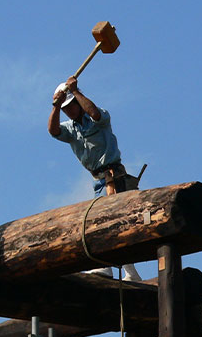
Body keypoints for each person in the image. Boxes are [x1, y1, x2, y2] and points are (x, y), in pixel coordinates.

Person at [48, 76, 141, 281]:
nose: (69, 110)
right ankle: (126, 271)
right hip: (99, 180)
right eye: (66, 108)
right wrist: (55, 106)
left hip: (113, 176)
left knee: (111, 220)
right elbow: (53, 131)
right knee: (110, 222)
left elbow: (95, 114)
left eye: (71, 105)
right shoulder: (71, 129)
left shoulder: (97, 118)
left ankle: (118, 269)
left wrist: (76, 91)